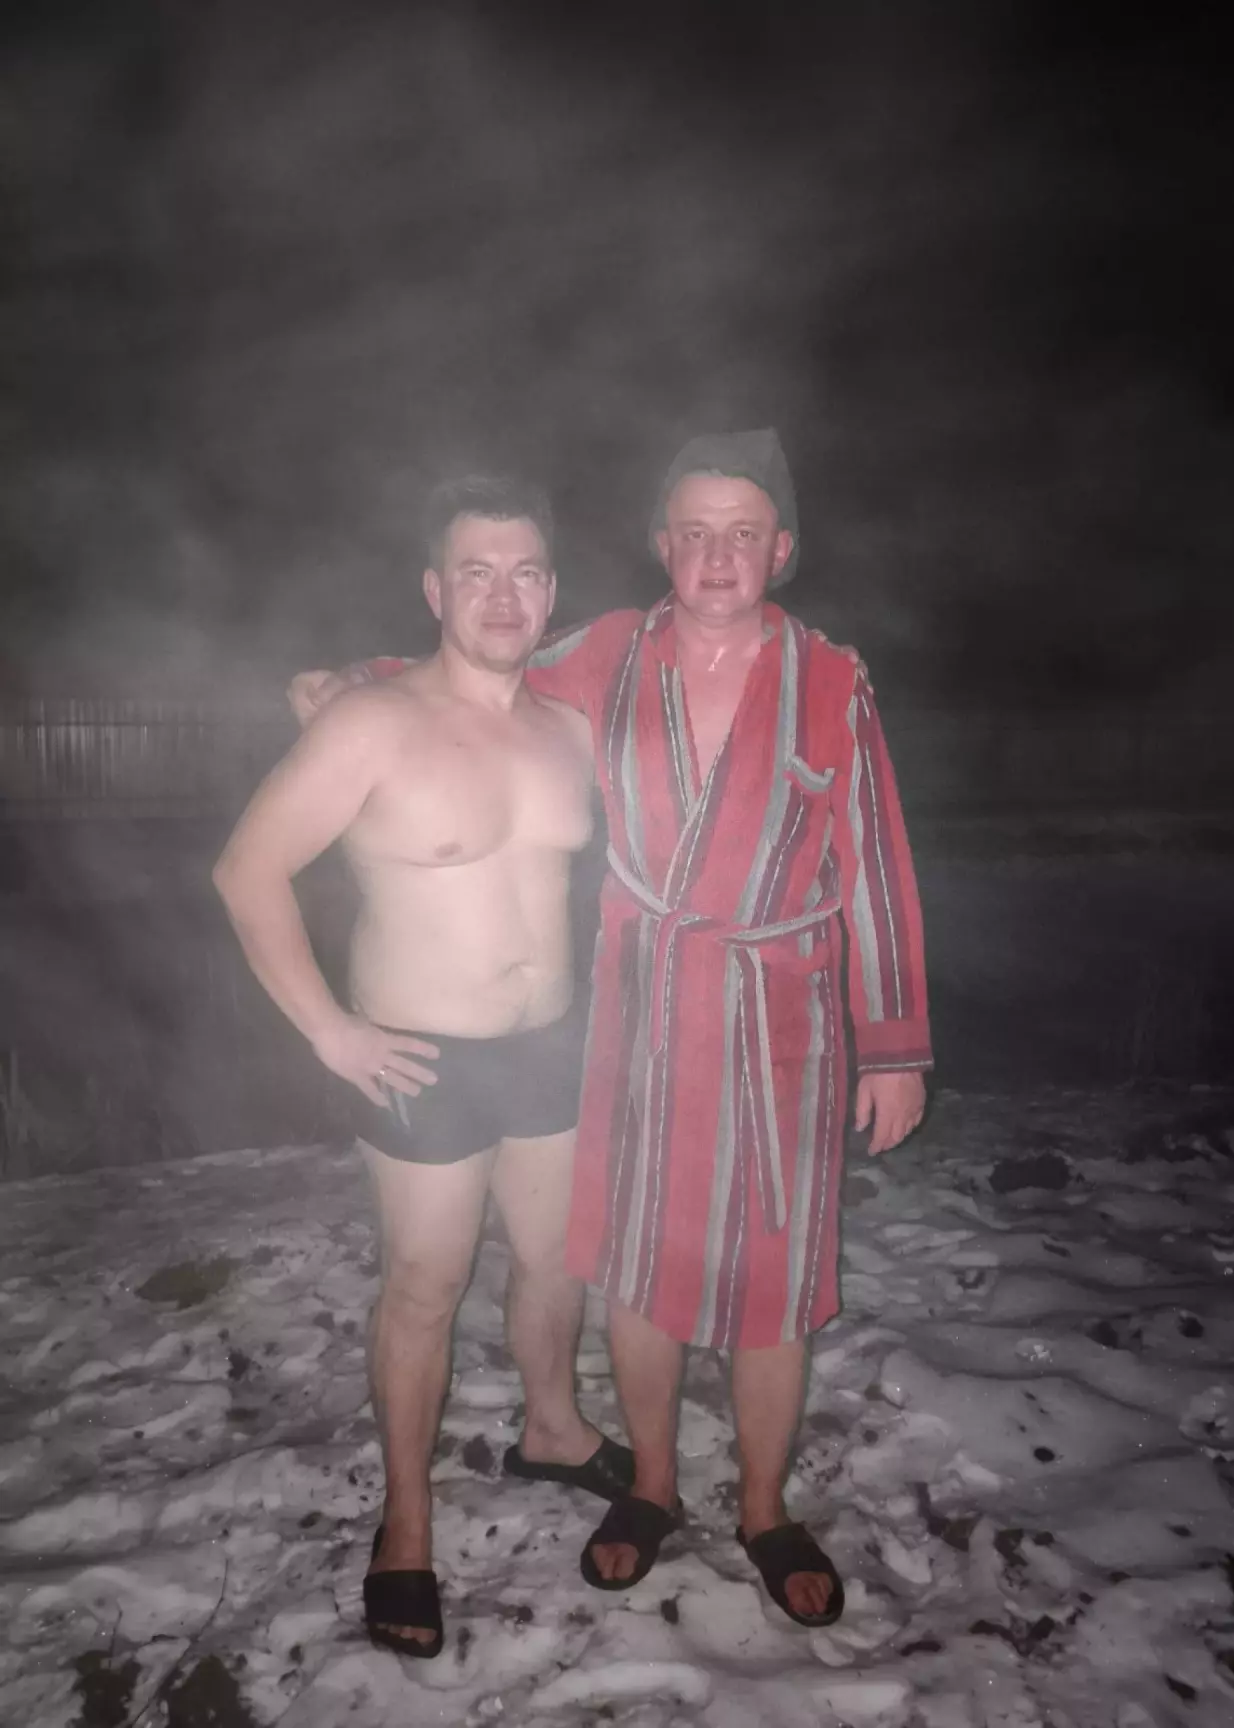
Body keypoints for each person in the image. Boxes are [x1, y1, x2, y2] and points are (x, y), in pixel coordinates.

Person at [296, 430, 931, 1629]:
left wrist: (892, 1042)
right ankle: (649, 1484)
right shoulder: (606, 654)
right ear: (661, 547)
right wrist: (351, 677)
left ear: (781, 550)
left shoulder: (832, 681)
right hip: (642, 1012)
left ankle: (764, 1508)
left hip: (784, 1013)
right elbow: (478, 666)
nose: (717, 556)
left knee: (774, 1277)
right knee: (639, 1266)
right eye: (693, 532)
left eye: (743, 533)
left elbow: (878, 867)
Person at [213, 474, 633, 1662]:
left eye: (526, 573)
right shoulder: (370, 722)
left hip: (552, 1044)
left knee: (556, 1263)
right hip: (420, 1060)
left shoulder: (570, 731)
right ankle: (406, 1523)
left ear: (550, 591)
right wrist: (328, 1030)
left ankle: (553, 1427)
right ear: (436, 590)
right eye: (477, 573)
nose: (503, 595)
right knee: (423, 1287)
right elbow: (247, 871)